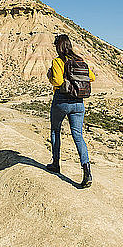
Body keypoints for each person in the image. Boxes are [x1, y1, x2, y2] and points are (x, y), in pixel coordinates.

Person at [46, 34, 96, 188]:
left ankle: (56, 163)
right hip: (79, 103)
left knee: (55, 130)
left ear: (58, 47)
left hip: (62, 100)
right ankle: (86, 170)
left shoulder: (58, 61)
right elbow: (92, 77)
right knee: (78, 135)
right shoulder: (79, 60)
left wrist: (50, 75)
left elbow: (58, 81)